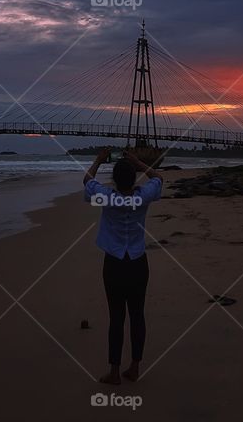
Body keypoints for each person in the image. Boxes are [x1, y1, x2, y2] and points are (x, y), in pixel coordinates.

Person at [82, 148, 163, 385]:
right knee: (137, 315)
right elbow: (158, 178)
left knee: (116, 317)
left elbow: (87, 181)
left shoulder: (106, 197)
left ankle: (115, 371)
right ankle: (135, 367)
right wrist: (139, 163)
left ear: (115, 179)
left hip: (114, 263)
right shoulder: (143, 197)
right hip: (138, 262)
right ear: (134, 176)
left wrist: (98, 160)